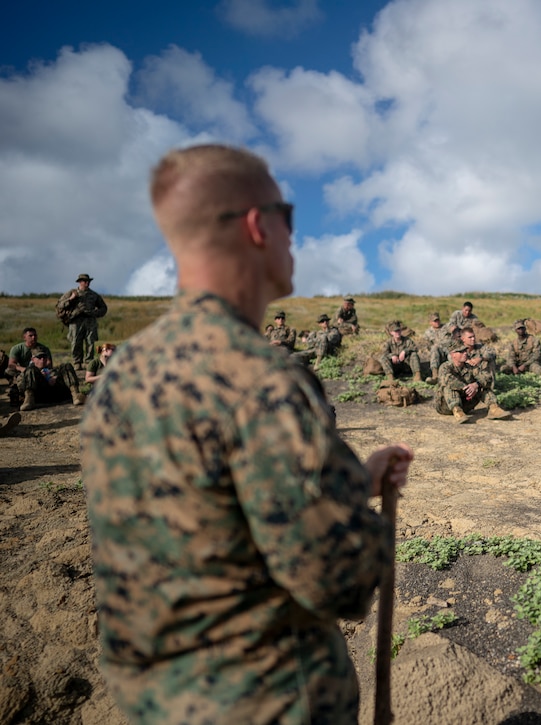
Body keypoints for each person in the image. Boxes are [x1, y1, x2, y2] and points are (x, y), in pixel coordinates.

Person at [80, 143, 413, 724]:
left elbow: (208, 515)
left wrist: (354, 479)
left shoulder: (125, 371)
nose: (293, 237)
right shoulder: (260, 379)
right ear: (259, 226)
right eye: (290, 217)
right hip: (266, 700)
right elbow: (339, 581)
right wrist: (355, 515)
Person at [435, 343, 511, 423]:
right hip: (445, 405)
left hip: (466, 404)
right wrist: (468, 388)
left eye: (465, 350)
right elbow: (448, 380)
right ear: (453, 355)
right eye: (461, 352)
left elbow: (487, 378)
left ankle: (494, 408)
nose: (465, 353)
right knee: (449, 386)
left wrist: (476, 385)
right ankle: (457, 411)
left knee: (481, 386)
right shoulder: (445, 367)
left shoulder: (470, 367)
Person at [56, 273, 108, 370]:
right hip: (75, 321)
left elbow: (104, 308)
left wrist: (94, 313)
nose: (87, 283)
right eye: (85, 281)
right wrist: (71, 299)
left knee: (90, 342)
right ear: (80, 282)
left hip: (90, 321)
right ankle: (77, 362)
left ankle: (89, 362)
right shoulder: (72, 293)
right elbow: (60, 305)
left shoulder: (94, 295)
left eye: (88, 281)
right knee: (75, 342)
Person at [16, 347, 84, 410]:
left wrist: (54, 378)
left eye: (44, 357)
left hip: (57, 393)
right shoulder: (28, 372)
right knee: (31, 370)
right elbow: (20, 386)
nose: (42, 359)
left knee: (66, 366)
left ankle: (75, 395)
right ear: (33, 359)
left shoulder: (53, 370)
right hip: (40, 394)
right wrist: (42, 378)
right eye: (39, 357)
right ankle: (29, 401)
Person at [424, 312, 452, 384]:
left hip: (449, 351)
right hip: (438, 355)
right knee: (434, 348)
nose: (437, 322)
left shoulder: (446, 327)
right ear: (430, 322)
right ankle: (435, 375)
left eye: (438, 320)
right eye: (434, 321)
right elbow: (427, 346)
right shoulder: (428, 333)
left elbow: (454, 331)